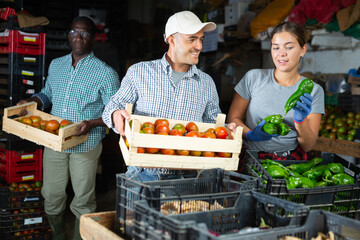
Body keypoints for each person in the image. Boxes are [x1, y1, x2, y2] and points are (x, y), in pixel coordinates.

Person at [17, 16, 120, 240]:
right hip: (54, 141)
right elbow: (48, 93)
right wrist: (31, 102)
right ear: (68, 35)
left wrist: (92, 123)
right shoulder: (57, 65)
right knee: (51, 196)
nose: (78, 37)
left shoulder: (106, 73)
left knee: (83, 200)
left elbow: (115, 113)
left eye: (84, 33)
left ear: (93, 38)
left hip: (86, 143)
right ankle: (57, 235)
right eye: (74, 32)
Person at [102, 11, 221, 181]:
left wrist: (225, 131)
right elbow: (111, 109)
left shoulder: (206, 83)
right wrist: (115, 115)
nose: (199, 46)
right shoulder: (139, 72)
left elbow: (212, 126)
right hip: (142, 175)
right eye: (192, 39)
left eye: (201, 39)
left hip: (187, 178)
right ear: (171, 40)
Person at [227, 21, 324, 160]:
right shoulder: (253, 78)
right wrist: (250, 134)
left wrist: (300, 121)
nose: (281, 54)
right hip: (251, 158)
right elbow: (233, 118)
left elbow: (308, 146)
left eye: (289, 47)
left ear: (303, 50)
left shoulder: (314, 91)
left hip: (291, 161)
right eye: (276, 47)